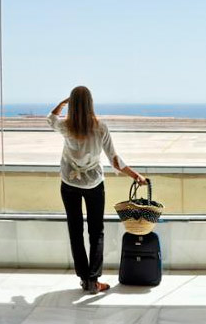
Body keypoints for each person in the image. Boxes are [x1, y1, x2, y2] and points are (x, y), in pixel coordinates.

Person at [48, 86, 147, 294]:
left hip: (69, 184)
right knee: (96, 232)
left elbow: (50, 119)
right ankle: (93, 280)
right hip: (93, 184)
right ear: (91, 103)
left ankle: (84, 279)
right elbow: (114, 159)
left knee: (75, 231)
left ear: (72, 105)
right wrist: (135, 175)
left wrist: (62, 104)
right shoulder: (100, 127)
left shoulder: (66, 127)